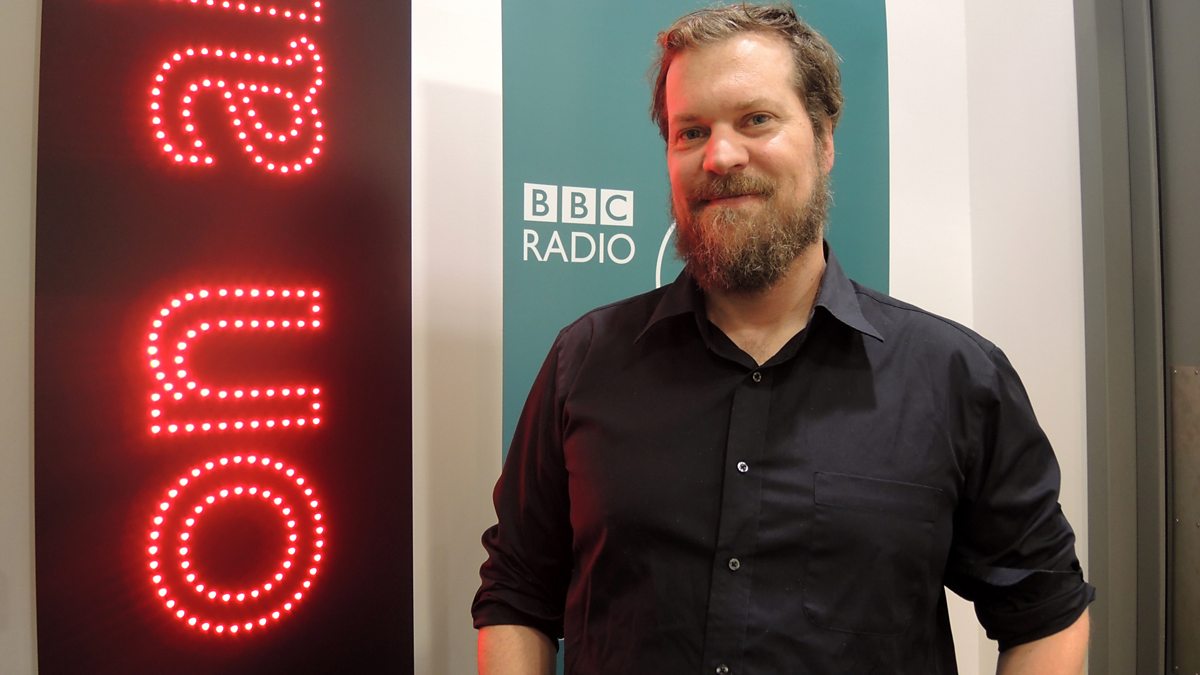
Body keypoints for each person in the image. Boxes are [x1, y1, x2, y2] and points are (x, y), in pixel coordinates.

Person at [472, 4, 1094, 674]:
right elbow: (517, 592)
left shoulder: (954, 377)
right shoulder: (586, 360)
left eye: (756, 120)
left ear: (825, 140)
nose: (720, 156)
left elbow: (1046, 614)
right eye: (691, 131)